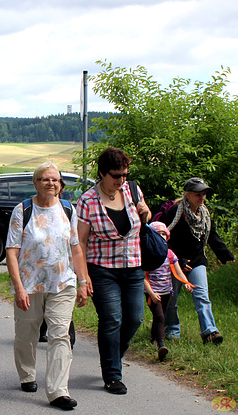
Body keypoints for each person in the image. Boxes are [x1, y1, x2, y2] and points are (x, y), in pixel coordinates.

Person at [6, 162, 91, 410]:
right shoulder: (23, 210)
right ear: (35, 183)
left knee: (60, 334)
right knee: (26, 334)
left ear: (60, 184)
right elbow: (12, 253)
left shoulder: (67, 209)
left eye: (55, 179)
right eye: (45, 179)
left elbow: (76, 248)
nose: (50, 183)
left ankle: (58, 391)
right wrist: (19, 287)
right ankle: (27, 374)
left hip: (62, 283)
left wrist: (83, 281)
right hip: (30, 285)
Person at [76, 147, 150, 395]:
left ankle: (113, 356)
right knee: (112, 319)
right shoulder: (87, 200)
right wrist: (83, 277)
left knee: (135, 318)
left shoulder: (132, 190)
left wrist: (146, 213)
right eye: (116, 175)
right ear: (102, 173)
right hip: (102, 270)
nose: (121, 180)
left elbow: (145, 216)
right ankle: (112, 375)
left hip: (133, 267)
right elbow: (81, 242)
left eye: (125, 175)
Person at [160, 177, 235, 344]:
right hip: (175, 262)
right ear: (187, 195)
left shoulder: (204, 213)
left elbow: (212, 237)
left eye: (204, 194)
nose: (202, 198)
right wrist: (180, 260)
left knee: (202, 296)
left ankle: (210, 332)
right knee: (172, 299)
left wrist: (227, 256)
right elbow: (164, 238)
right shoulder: (175, 212)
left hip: (197, 261)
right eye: (198, 194)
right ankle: (172, 330)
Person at [143, 222, 194, 361]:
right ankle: (161, 345)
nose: (162, 236)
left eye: (164, 234)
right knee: (159, 316)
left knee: (161, 316)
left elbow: (178, 272)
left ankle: (153, 337)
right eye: (158, 234)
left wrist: (186, 283)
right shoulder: (147, 254)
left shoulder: (170, 254)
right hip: (152, 292)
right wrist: (151, 294)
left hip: (167, 291)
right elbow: (143, 277)